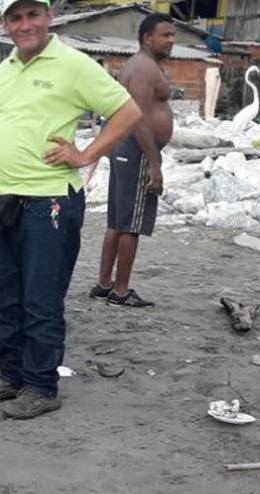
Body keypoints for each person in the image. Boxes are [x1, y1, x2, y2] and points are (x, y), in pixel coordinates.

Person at [0, 0, 141, 419]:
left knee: (40, 298)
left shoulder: (72, 64)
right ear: (5, 25)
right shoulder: (5, 69)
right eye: (15, 17)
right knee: (3, 295)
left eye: (32, 14)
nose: (24, 24)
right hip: (1, 199)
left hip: (50, 203)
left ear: (48, 18)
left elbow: (128, 112)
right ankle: (12, 375)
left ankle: (42, 385)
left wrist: (85, 155)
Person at [91, 14, 175, 309]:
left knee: (118, 219)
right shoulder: (143, 68)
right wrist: (154, 162)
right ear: (147, 38)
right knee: (131, 224)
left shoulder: (143, 65)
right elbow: (136, 117)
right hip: (137, 149)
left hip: (128, 148)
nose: (171, 40)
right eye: (165, 35)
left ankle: (104, 284)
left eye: (172, 35)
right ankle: (121, 290)